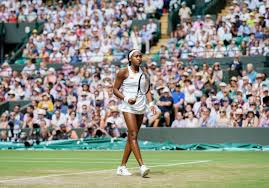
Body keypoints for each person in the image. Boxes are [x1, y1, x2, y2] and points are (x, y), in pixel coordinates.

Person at [113, 49, 156, 177]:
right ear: (130, 59)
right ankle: (142, 166)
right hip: (128, 107)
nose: (139, 58)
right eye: (136, 56)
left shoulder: (144, 72)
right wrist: (126, 98)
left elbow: (147, 89)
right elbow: (115, 89)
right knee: (132, 134)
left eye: (140, 56)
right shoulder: (123, 72)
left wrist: (151, 104)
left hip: (141, 107)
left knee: (132, 137)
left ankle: (121, 167)